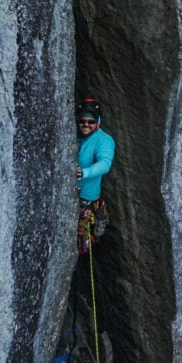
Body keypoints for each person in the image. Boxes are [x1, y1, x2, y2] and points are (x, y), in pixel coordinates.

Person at [76, 98, 115, 253]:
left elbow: (104, 164)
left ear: (97, 121)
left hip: (86, 200)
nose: (86, 124)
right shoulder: (77, 136)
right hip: (73, 196)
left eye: (90, 121)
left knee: (79, 240)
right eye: (82, 121)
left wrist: (84, 173)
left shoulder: (104, 141)